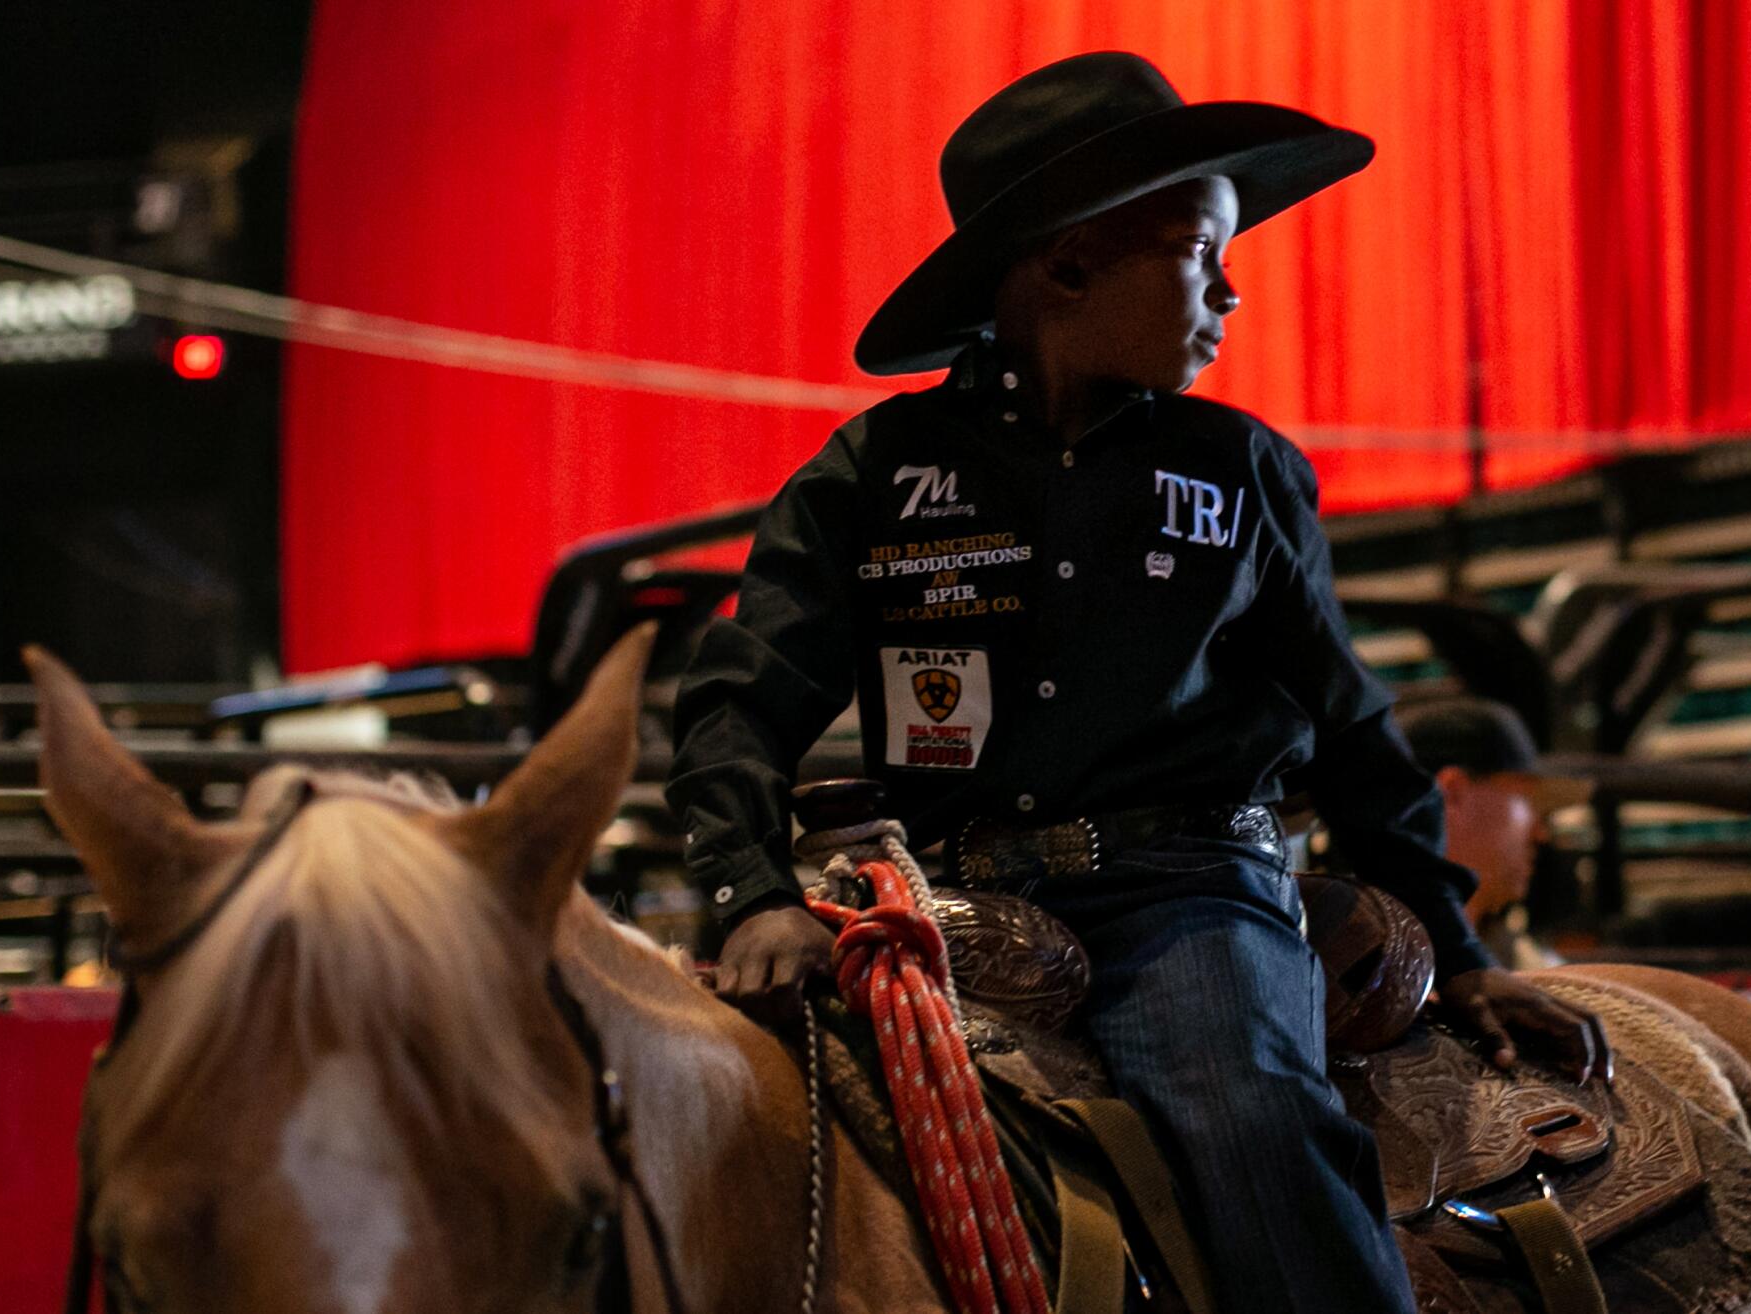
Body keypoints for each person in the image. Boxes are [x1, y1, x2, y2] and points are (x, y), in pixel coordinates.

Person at [668, 52, 1606, 1310]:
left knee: (1251, 1110)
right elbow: (743, 692)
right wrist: (747, 892)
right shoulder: (869, 477)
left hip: (1188, 895)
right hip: (944, 899)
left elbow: (1346, 719)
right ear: (1063, 268)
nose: (1228, 291)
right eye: (1199, 251)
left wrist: (1453, 941)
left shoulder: (1238, 471)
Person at [1392, 696, 1593, 970]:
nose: (1541, 834)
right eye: (1527, 800)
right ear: (1452, 793)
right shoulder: (1371, 956)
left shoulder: (1518, 957)